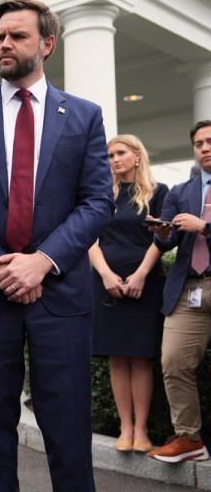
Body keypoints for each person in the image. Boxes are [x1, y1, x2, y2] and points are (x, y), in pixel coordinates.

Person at [0, 0, 114, 491]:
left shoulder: (83, 116)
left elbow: (98, 202)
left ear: (47, 44)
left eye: (18, 36)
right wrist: (5, 269)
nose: (5, 44)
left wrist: (41, 262)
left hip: (61, 298)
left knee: (69, 430)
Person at [89, 135, 167, 453]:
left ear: (137, 155)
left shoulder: (159, 192)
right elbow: (89, 239)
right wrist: (106, 274)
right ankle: (125, 428)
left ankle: (142, 431)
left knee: (141, 357)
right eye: (109, 155)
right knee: (118, 358)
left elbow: (162, 239)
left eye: (120, 153)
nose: (113, 159)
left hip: (145, 283)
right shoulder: (100, 195)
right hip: (105, 283)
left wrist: (140, 276)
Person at [146, 119, 211, 463]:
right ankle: (189, 439)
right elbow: (167, 240)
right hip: (189, 287)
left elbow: (203, 229)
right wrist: (161, 232)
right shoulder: (179, 191)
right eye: (199, 143)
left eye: (210, 141)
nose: (205, 147)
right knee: (173, 361)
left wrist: (205, 227)